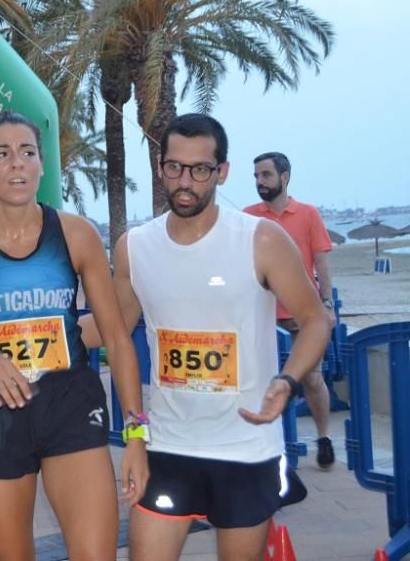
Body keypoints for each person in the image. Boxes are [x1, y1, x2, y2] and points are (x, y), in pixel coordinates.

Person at [82, 114, 331, 561]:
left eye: (200, 170)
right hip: (167, 446)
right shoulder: (134, 247)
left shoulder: (260, 239)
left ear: (222, 172)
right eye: (175, 167)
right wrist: (33, 334)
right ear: (159, 168)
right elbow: (110, 330)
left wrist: (287, 381)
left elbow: (316, 320)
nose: (185, 182)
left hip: (246, 447)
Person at [0, 110, 148, 560]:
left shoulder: (76, 234)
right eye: (2, 155)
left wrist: (136, 435)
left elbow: (118, 339)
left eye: (27, 153)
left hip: (69, 404)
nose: (17, 164)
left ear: (42, 165)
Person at [244, 151, 337, 469]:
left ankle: (323, 438)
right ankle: (270, 448)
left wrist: (327, 304)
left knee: (311, 379)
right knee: (261, 382)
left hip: (302, 316)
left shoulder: (308, 214)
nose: (260, 182)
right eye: (256, 176)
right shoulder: (249, 217)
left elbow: (322, 261)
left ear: (284, 177)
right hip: (262, 318)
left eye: (266, 175)